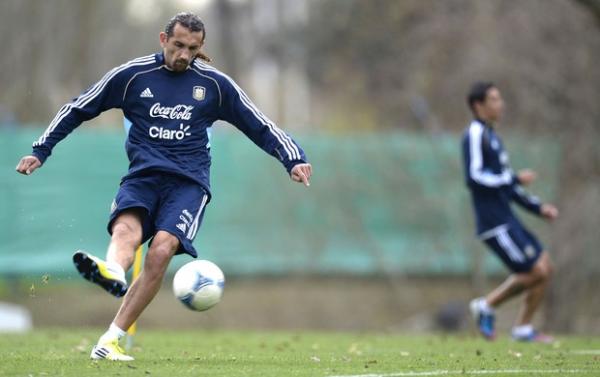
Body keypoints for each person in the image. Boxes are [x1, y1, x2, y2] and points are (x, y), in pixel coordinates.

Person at [15, 12, 312, 360]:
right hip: (143, 176)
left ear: (201, 48)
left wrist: (292, 158)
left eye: (192, 48)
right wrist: (41, 149)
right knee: (126, 231)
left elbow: (258, 124)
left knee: (160, 250)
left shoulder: (215, 86)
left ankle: (109, 340)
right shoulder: (132, 76)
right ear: (163, 39)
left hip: (189, 184)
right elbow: (79, 107)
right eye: (178, 45)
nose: (184, 54)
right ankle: (112, 270)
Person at [461, 82, 558, 342]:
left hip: (507, 216)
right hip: (494, 222)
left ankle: (523, 328)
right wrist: (514, 179)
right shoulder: (474, 134)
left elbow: (506, 185)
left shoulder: (493, 137)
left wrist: (538, 208)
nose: (500, 104)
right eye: (493, 99)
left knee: (546, 267)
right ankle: (487, 305)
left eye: (499, 99)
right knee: (535, 271)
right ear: (478, 105)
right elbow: (474, 177)